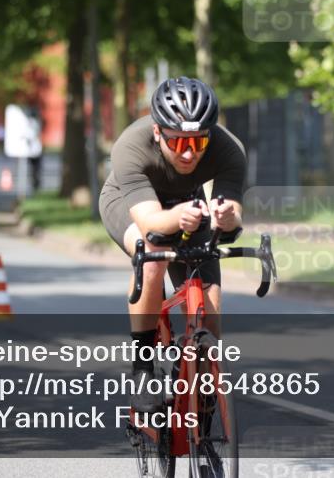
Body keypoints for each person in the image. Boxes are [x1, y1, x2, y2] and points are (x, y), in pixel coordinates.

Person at [99, 77, 245, 411]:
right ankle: (143, 369)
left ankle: (206, 404)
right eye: (178, 143)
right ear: (157, 133)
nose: (190, 152)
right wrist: (178, 215)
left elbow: (234, 212)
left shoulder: (229, 148)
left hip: (187, 204)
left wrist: (226, 217)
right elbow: (150, 223)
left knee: (210, 304)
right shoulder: (131, 146)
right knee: (152, 257)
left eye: (198, 142)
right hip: (129, 203)